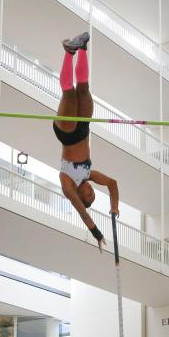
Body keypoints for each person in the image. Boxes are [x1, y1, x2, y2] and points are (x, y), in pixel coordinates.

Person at [54, 32, 119, 250]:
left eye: (89, 196)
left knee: (69, 94)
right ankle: (81, 48)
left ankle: (68, 53)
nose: (91, 191)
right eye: (93, 193)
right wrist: (114, 207)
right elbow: (112, 184)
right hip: (83, 129)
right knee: (83, 89)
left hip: (67, 134)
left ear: (80, 197)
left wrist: (96, 233)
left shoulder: (68, 184)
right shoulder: (89, 175)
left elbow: (80, 210)